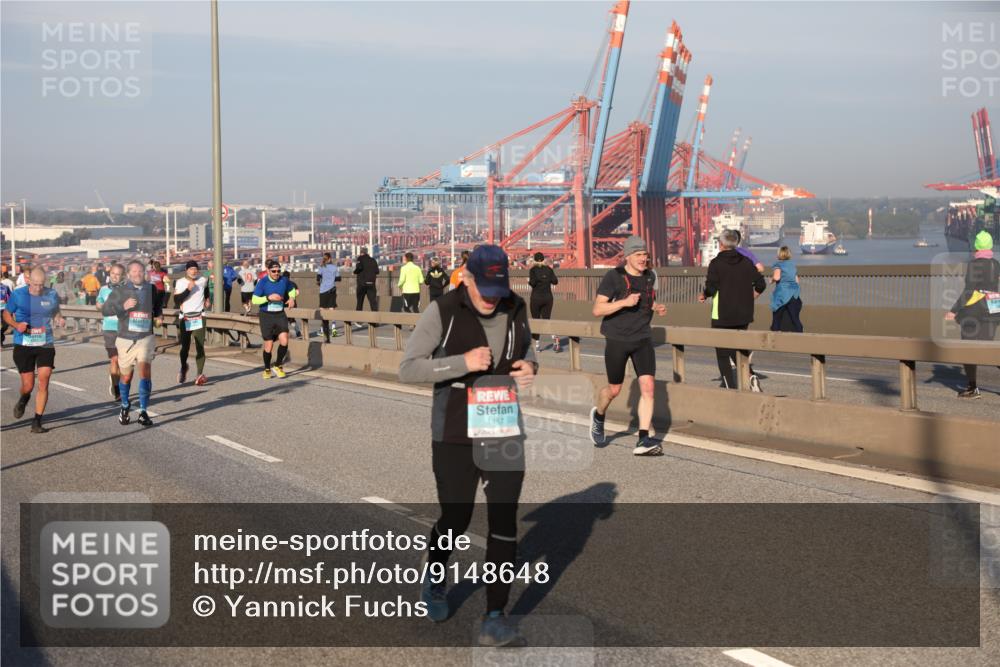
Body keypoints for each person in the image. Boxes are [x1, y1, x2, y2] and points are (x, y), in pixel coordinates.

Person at [399, 244, 536, 646]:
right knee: (456, 519)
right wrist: (462, 363)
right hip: (455, 430)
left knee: (504, 522)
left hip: (502, 428)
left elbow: (527, 349)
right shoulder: (443, 310)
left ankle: (495, 615)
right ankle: (435, 576)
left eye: (499, 288)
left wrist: (530, 367)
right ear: (468, 277)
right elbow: (408, 368)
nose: (492, 297)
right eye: (485, 288)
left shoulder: (516, 308)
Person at [589, 236, 668, 456]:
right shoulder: (614, 277)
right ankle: (599, 415)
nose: (644, 259)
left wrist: (655, 307)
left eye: (646, 255)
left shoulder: (651, 276)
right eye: (639, 255)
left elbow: (646, 300)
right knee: (614, 389)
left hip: (642, 338)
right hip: (617, 339)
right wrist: (624, 302)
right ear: (628, 257)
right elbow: (597, 310)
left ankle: (643, 439)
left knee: (648, 387)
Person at [700, 229, 766, 391]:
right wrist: (751, 297)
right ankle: (751, 376)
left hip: (722, 313)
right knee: (739, 347)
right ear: (735, 243)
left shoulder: (716, 263)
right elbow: (761, 284)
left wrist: (704, 294)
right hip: (743, 314)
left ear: (721, 244)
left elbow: (712, 287)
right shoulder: (746, 262)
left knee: (723, 352)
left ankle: (729, 386)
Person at [4, 267, 66, 433]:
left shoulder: (51, 294)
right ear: (28, 280)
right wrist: (17, 325)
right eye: (35, 284)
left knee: (44, 379)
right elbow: (6, 314)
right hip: (23, 344)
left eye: (41, 285)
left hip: (45, 342)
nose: (39, 288)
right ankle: (24, 398)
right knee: (28, 385)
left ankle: (37, 421)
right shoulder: (18, 294)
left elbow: (55, 312)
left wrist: (59, 319)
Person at [101, 259, 163, 426]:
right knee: (126, 376)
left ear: (145, 273)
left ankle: (143, 411)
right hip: (125, 339)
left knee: (145, 371)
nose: (137, 274)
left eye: (140, 271)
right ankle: (125, 405)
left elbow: (157, 307)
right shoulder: (120, 291)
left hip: (145, 337)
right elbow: (106, 310)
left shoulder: (151, 289)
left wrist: (159, 316)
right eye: (134, 272)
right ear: (128, 275)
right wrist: (124, 306)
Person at [945, 230, 1000, 399]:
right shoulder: (996, 263)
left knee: (968, 349)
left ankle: (972, 387)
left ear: (976, 246)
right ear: (990, 246)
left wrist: (953, 310)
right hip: (994, 308)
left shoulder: (974, 264)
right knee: (989, 351)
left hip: (975, 311)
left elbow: (969, 291)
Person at [252, 259, 297, 378]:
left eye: (278, 271)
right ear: (268, 271)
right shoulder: (263, 282)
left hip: (280, 314)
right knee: (269, 344)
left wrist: (292, 298)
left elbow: (292, 290)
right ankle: (267, 369)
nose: (276, 273)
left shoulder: (284, 280)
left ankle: (278, 365)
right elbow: (254, 300)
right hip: (266, 315)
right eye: (273, 271)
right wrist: (268, 298)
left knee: (284, 340)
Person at [174, 260, 211, 385]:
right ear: (186, 270)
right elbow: (176, 299)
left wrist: (207, 298)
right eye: (191, 269)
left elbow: (205, 289)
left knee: (200, 346)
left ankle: (199, 374)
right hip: (185, 317)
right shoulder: (180, 282)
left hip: (200, 316)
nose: (193, 271)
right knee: (185, 347)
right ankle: (184, 367)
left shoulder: (203, 280)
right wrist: (187, 290)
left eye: (195, 269)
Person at [96, 263, 125, 401]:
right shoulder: (103, 289)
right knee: (114, 359)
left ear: (122, 276)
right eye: (113, 273)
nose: (115, 276)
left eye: (118, 274)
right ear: (109, 274)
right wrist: (100, 306)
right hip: (109, 328)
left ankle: (115, 380)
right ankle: (117, 389)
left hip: (124, 329)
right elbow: (98, 304)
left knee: (123, 362)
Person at [528, 251, 560, 352]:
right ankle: (554, 338)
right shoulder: (549, 270)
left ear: (534, 260)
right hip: (548, 298)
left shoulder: (533, 270)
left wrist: (529, 281)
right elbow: (555, 281)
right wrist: (546, 279)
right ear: (543, 259)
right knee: (547, 319)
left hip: (536, 298)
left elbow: (532, 283)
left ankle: (537, 345)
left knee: (536, 321)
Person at [770, 246, 803, 332]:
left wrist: (772, 279)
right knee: (795, 318)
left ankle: (775, 334)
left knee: (777, 317)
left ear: (779, 254)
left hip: (782, 294)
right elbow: (797, 281)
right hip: (794, 294)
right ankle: (800, 333)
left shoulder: (778, 265)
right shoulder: (792, 265)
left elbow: (777, 277)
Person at [316, 252, 340, 341]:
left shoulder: (321, 267)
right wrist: (332, 278)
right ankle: (333, 329)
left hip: (323, 290)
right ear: (330, 259)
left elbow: (318, 278)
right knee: (332, 309)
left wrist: (321, 281)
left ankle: (322, 330)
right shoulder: (334, 267)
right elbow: (339, 278)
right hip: (332, 290)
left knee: (323, 309)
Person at [353, 247, 379, 313]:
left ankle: (358, 320)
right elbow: (377, 271)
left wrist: (355, 272)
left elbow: (359, 268)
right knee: (373, 302)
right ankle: (375, 320)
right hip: (371, 284)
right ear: (367, 252)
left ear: (361, 252)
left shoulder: (360, 258)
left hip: (362, 284)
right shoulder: (373, 260)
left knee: (360, 302)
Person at [282, 270, 303, 339]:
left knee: (283, 320)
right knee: (292, 320)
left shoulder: (281, 284)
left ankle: (285, 334)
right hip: (292, 304)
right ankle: (298, 332)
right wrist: (291, 298)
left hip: (284, 304)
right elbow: (297, 293)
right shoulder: (293, 283)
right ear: (289, 276)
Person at [0, 277, 11, 347]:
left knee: (6, 325)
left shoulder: (5, 287)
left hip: (4, 309)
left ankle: (1, 335)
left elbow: (11, 297)